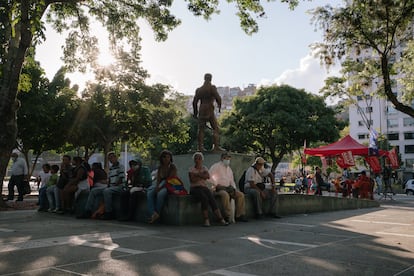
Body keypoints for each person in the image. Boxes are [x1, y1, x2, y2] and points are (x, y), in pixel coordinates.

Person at [189, 152, 229, 227]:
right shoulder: (191, 169)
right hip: (195, 188)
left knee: (211, 198)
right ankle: (206, 220)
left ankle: (221, 219)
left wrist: (197, 174)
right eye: (196, 158)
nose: (198, 160)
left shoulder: (204, 168)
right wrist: (201, 175)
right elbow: (193, 180)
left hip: (204, 187)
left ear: (202, 160)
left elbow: (207, 176)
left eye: (199, 158)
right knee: (204, 198)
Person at [209, 152, 247, 223]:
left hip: (228, 188)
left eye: (229, 158)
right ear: (222, 158)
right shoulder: (216, 166)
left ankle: (240, 215)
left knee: (240, 195)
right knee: (224, 195)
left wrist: (234, 189)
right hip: (218, 188)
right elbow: (209, 177)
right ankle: (228, 215)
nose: (227, 159)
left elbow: (232, 181)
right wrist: (216, 184)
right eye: (226, 158)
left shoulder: (229, 169)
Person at [192, 73, 224, 152]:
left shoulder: (199, 89)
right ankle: (216, 146)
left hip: (202, 109)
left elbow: (194, 102)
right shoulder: (212, 88)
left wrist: (195, 113)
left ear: (204, 78)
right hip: (209, 108)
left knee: (201, 129)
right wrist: (219, 106)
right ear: (211, 79)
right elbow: (218, 98)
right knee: (215, 128)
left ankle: (200, 147)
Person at [147, 150, 176, 224]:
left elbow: (169, 179)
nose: (166, 159)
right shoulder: (160, 167)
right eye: (164, 157)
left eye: (168, 157)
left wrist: (160, 188)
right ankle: (153, 213)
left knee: (160, 194)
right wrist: (157, 187)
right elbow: (159, 179)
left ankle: (157, 213)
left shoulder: (172, 167)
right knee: (150, 193)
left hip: (169, 184)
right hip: (160, 184)